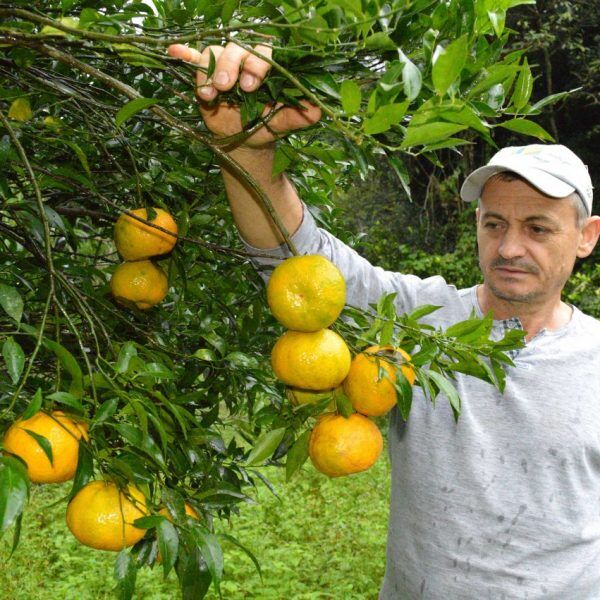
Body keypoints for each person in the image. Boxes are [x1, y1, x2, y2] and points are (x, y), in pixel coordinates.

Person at [168, 42, 600, 598]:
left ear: (586, 236)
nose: (510, 247)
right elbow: (297, 258)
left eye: (538, 228)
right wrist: (249, 153)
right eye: (495, 224)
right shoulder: (415, 320)